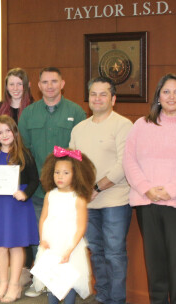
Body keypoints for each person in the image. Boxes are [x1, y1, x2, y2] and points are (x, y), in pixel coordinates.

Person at [123, 73, 176, 303]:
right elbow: (129, 160)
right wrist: (147, 188)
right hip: (149, 205)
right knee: (155, 267)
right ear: (158, 96)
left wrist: (172, 190)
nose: (171, 96)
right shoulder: (141, 125)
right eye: (166, 91)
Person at [17, 67, 86, 297]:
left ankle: (65, 284)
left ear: (62, 83)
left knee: (66, 238)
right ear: (38, 85)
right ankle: (43, 283)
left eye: (54, 81)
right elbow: (24, 151)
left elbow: (79, 152)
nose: (49, 86)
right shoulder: (28, 114)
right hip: (39, 191)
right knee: (43, 239)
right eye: (45, 82)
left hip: (68, 193)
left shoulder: (76, 112)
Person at [68, 77, 133, 304]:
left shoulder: (124, 125)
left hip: (115, 200)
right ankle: (103, 297)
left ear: (113, 99)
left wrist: (96, 187)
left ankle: (116, 300)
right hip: (87, 202)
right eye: (93, 94)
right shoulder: (78, 129)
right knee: (96, 252)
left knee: (114, 254)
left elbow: (124, 164)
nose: (97, 98)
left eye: (103, 94)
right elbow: (73, 164)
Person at [0, 115, 39, 302]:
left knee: (16, 245)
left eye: (7, 131)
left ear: (15, 132)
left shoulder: (24, 154)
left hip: (17, 205)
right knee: (0, 246)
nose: (4, 135)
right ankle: (2, 283)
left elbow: (35, 179)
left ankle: (14, 284)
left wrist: (25, 194)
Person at [32, 147, 96, 303]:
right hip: (51, 244)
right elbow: (43, 218)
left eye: (66, 173)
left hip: (70, 246)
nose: (60, 176)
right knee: (51, 278)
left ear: (76, 175)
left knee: (69, 280)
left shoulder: (78, 198)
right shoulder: (50, 195)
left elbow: (81, 226)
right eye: (57, 172)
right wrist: (42, 240)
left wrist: (70, 249)